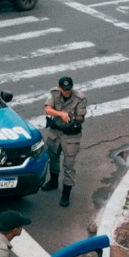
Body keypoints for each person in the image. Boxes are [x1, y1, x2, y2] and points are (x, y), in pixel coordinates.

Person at [41, 76, 87, 208]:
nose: (67, 92)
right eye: (64, 89)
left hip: (70, 136)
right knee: (53, 158)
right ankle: (53, 181)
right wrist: (61, 114)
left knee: (69, 165)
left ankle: (66, 194)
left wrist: (73, 118)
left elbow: (81, 118)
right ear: (59, 87)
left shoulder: (80, 98)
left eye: (69, 89)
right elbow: (47, 109)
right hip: (55, 133)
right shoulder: (54, 93)